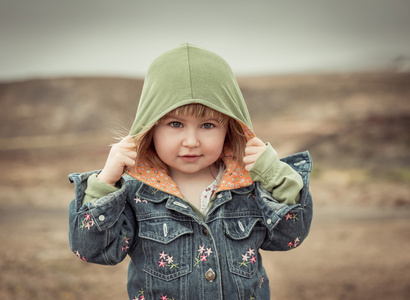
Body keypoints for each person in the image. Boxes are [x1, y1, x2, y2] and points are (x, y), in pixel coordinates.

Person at [68, 43, 313, 300]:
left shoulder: (248, 185)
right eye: (175, 124)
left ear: (230, 128)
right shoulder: (133, 192)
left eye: (207, 125)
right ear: (150, 127)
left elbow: (290, 236)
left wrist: (276, 176)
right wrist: (105, 182)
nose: (191, 141)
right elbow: (91, 249)